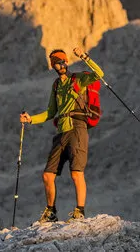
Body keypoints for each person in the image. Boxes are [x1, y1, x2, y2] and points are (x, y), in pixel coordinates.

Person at [20, 47, 103, 223]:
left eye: (62, 61)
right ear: (53, 67)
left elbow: (99, 74)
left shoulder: (78, 79)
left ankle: (79, 211)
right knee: (47, 175)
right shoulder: (56, 85)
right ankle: (51, 212)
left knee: (76, 172)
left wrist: (84, 57)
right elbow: (51, 112)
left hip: (77, 128)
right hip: (61, 131)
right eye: (57, 63)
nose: (60, 65)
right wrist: (30, 119)